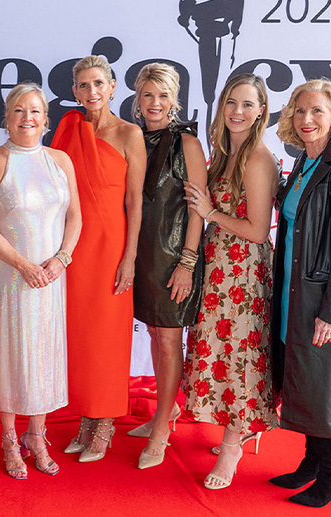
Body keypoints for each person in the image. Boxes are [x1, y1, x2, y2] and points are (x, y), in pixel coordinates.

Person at [0, 83, 82, 479]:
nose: (27, 118)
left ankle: (37, 435)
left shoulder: (60, 161)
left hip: (51, 277)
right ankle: (8, 438)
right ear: (6, 117)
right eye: (19, 110)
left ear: (45, 119)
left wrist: (62, 259)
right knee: (12, 356)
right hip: (10, 277)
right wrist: (22, 265)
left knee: (44, 355)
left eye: (35, 111)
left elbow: (75, 216)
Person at [269, 79, 331, 508]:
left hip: (322, 298)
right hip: (293, 291)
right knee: (305, 378)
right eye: (300, 110)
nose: (306, 119)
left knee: (321, 380)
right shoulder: (304, 162)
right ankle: (312, 460)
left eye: (317, 111)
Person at [182, 74, 279, 489]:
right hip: (220, 266)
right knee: (221, 349)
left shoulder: (257, 159)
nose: (237, 111)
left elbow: (257, 230)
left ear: (261, 111)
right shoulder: (225, 152)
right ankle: (233, 430)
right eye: (231, 102)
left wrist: (209, 212)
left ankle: (232, 446)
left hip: (244, 273)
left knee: (240, 356)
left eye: (247, 104)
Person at [50, 55, 147, 462]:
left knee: (107, 337)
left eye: (99, 83)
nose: (92, 92)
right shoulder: (68, 129)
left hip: (111, 246)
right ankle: (86, 418)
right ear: (75, 92)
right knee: (80, 336)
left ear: (112, 87)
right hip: (73, 245)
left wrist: (130, 257)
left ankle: (104, 423)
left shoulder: (129, 133)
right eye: (84, 85)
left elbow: (136, 200)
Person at [129, 63, 207, 469]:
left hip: (175, 255)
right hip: (142, 255)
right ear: (137, 99)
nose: (154, 103)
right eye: (148, 95)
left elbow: (198, 210)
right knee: (156, 334)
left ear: (174, 99)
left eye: (162, 95)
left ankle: (161, 425)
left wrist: (187, 264)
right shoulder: (133, 137)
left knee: (169, 339)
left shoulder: (187, 143)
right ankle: (168, 408)